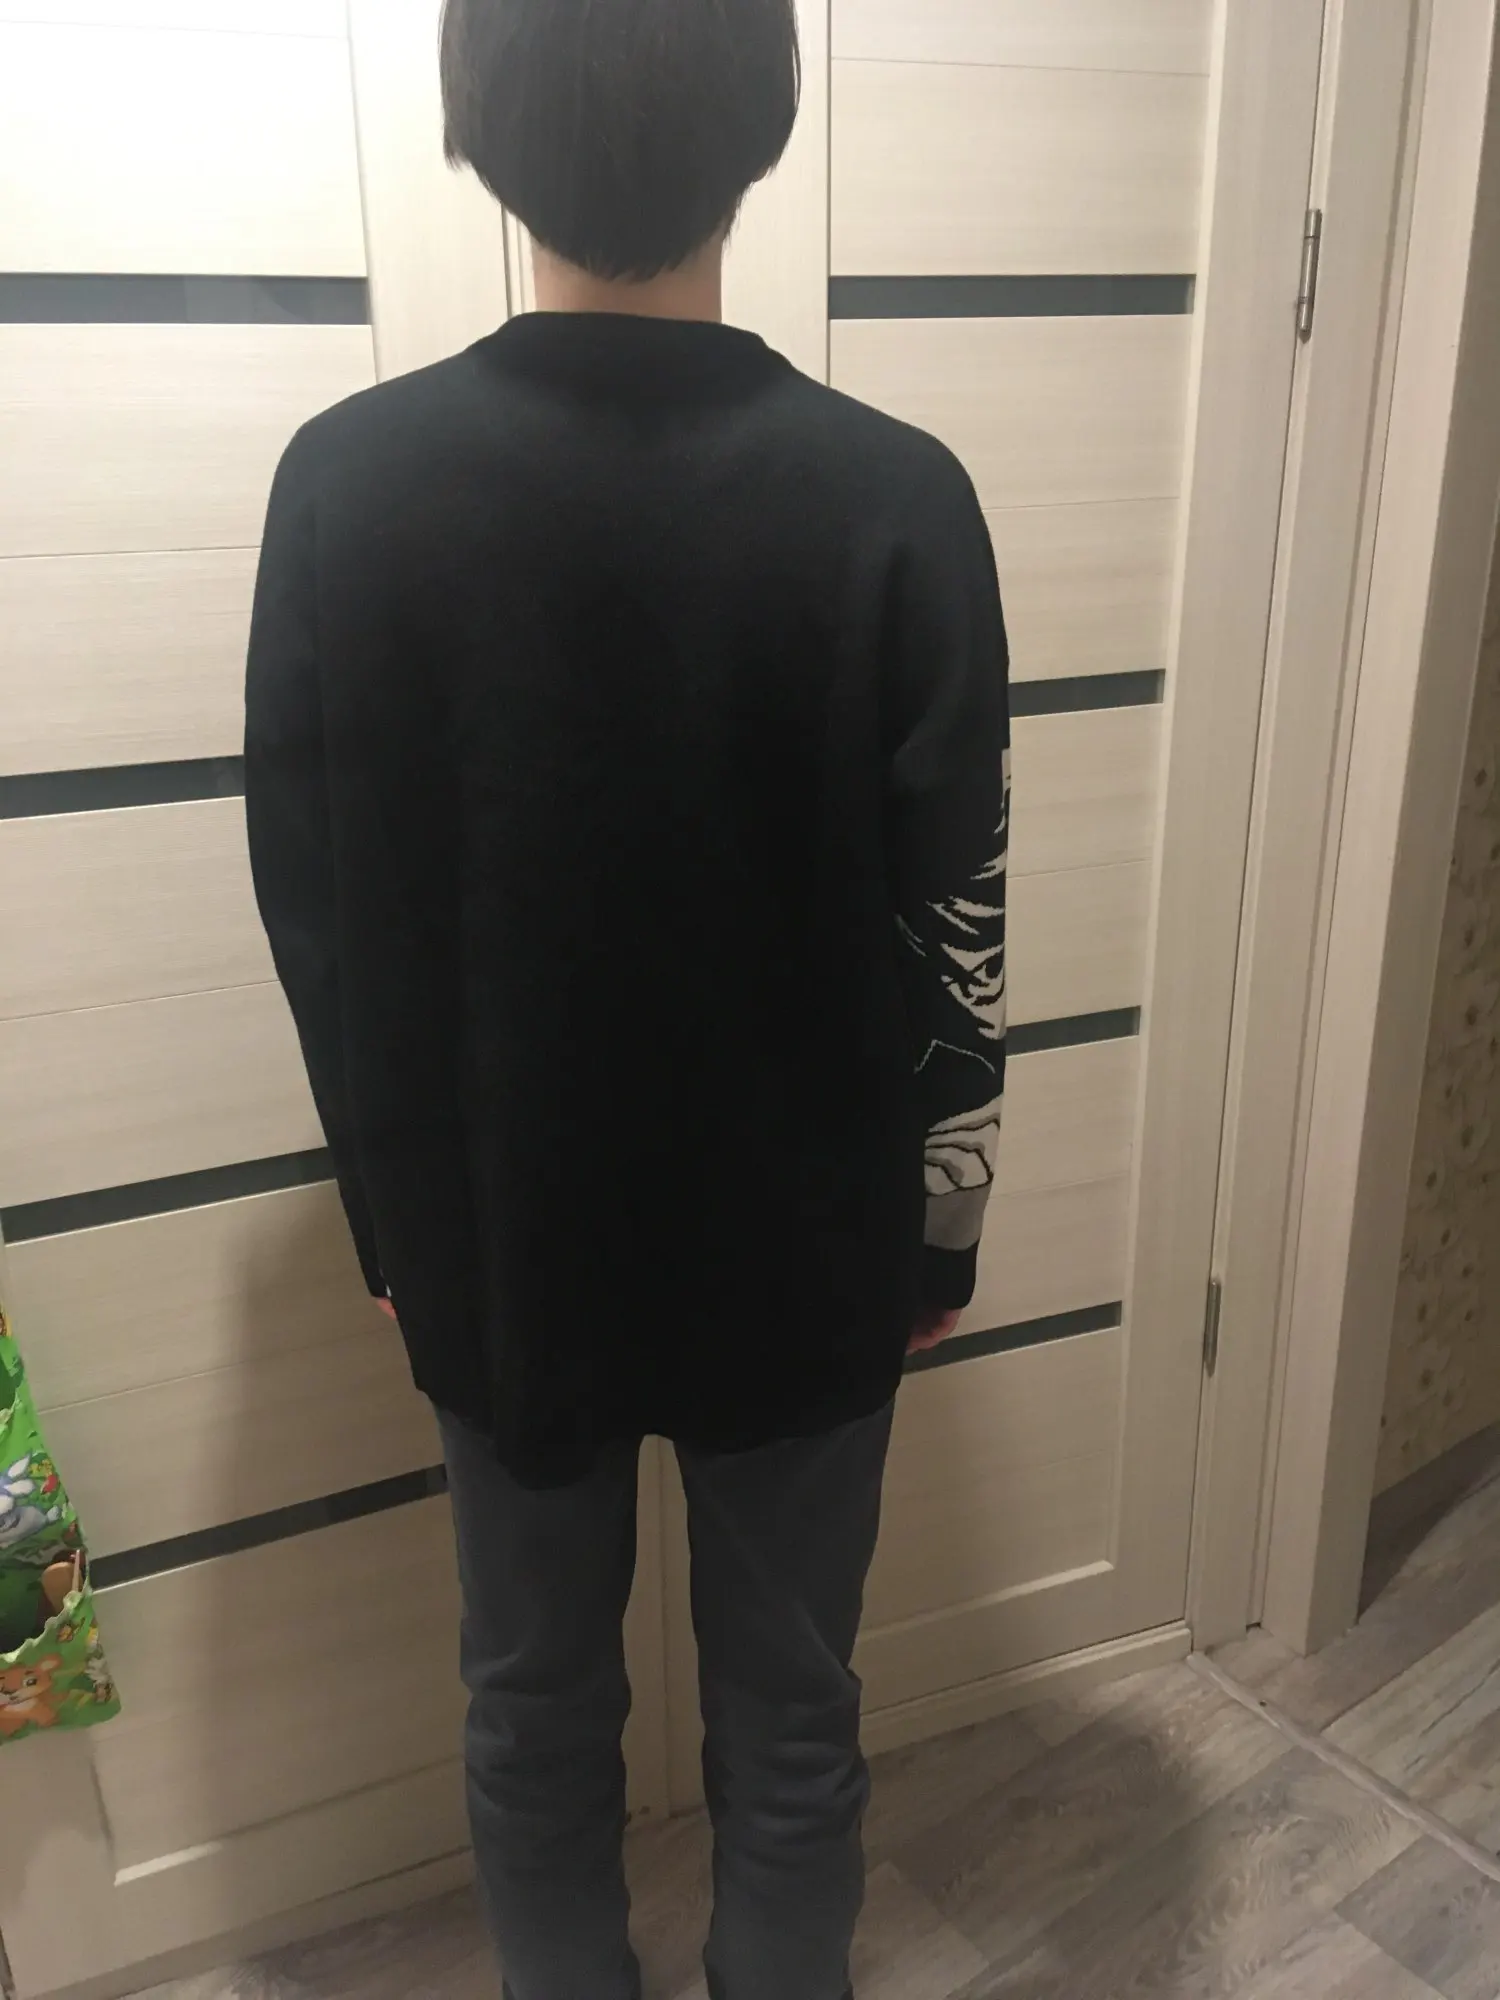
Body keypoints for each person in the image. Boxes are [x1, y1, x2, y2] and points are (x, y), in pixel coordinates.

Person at [244, 0, 1010, 1993]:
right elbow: (958, 913)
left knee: (530, 1713)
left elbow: (318, 919)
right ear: (763, 113)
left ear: (476, 120)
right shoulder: (898, 497)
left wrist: (395, 1226)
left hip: (503, 1233)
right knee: (793, 1719)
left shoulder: (345, 489)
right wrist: (943, 1228)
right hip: (810, 1234)